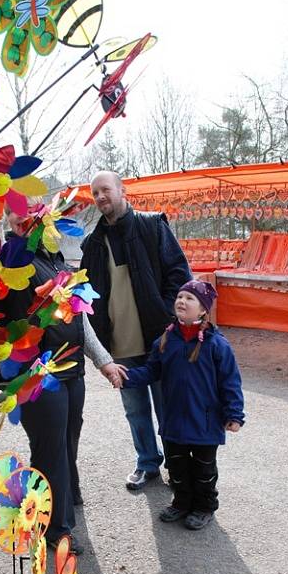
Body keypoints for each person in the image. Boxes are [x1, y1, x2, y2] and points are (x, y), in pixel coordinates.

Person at [0, 208, 125, 555]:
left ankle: (64, 498)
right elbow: (2, 318)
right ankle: (54, 528)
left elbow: (81, 320)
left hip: (70, 370)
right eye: (28, 218)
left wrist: (103, 362)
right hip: (37, 374)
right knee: (49, 449)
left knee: (67, 439)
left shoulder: (61, 264)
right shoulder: (14, 263)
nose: (40, 224)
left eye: (44, 217)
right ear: (17, 224)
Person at [80, 170, 192, 490]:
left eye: (105, 190)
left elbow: (179, 275)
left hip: (159, 337)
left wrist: (171, 320)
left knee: (167, 405)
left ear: (122, 190)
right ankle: (147, 463)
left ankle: (176, 463)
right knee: (135, 409)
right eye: (95, 193)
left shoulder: (152, 226)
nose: (101, 197)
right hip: (119, 344)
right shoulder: (93, 243)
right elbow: (85, 296)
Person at [119, 280, 245, 530]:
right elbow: (151, 370)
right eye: (179, 296)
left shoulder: (217, 345)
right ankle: (181, 502)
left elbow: (231, 381)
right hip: (174, 419)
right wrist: (126, 377)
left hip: (205, 422)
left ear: (202, 310)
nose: (181, 301)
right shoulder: (165, 340)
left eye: (189, 298)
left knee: (204, 469)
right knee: (176, 465)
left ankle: (204, 506)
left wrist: (234, 414)